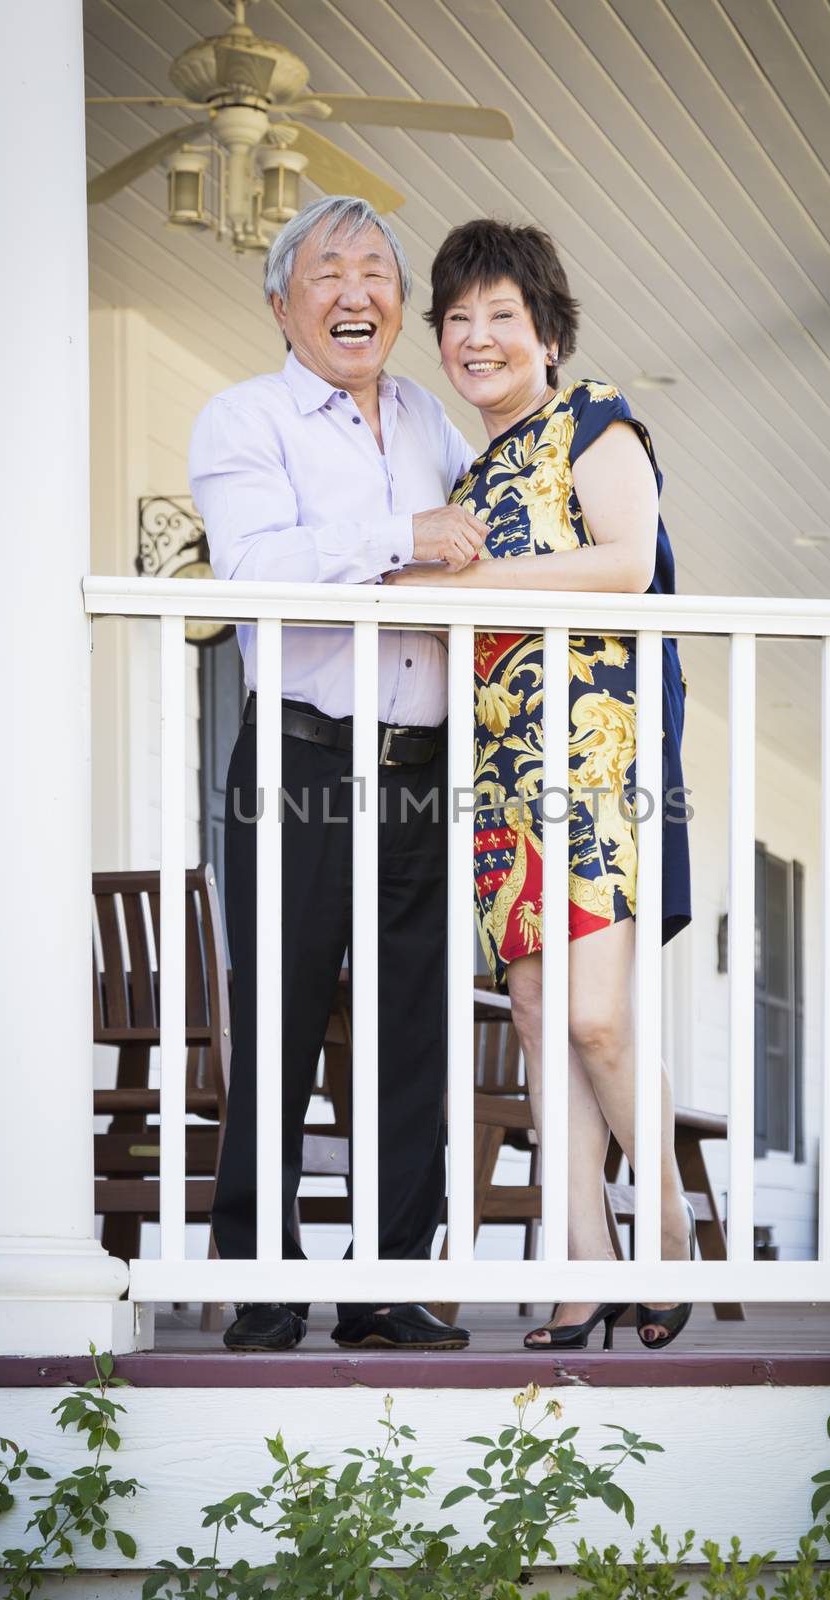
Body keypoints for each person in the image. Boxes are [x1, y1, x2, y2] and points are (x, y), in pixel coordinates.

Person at [387, 218, 695, 1351]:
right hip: (502, 769)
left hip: (595, 754)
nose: (476, 338)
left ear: (548, 333)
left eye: (500, 316)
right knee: (533, 1014)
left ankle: (663, 1238)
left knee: (597, 1016)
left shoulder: (592, 420)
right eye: (457, 319)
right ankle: (581, 1272)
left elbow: (624, 563)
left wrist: (473, 583)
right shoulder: (467, 473)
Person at [189, 196, 486, 1353]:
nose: (355, 290)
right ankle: (264, 1280)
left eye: (376, 271)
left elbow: (488, 545)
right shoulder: (244, 418)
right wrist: (401, 540)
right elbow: (258, 568)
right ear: (281, 303)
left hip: (421, 766)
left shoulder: (432, 421)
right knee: (281, 1019)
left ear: (402, 306)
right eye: (328, 272)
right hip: (301, 757)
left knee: (413, 1026)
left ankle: (386, 1285)